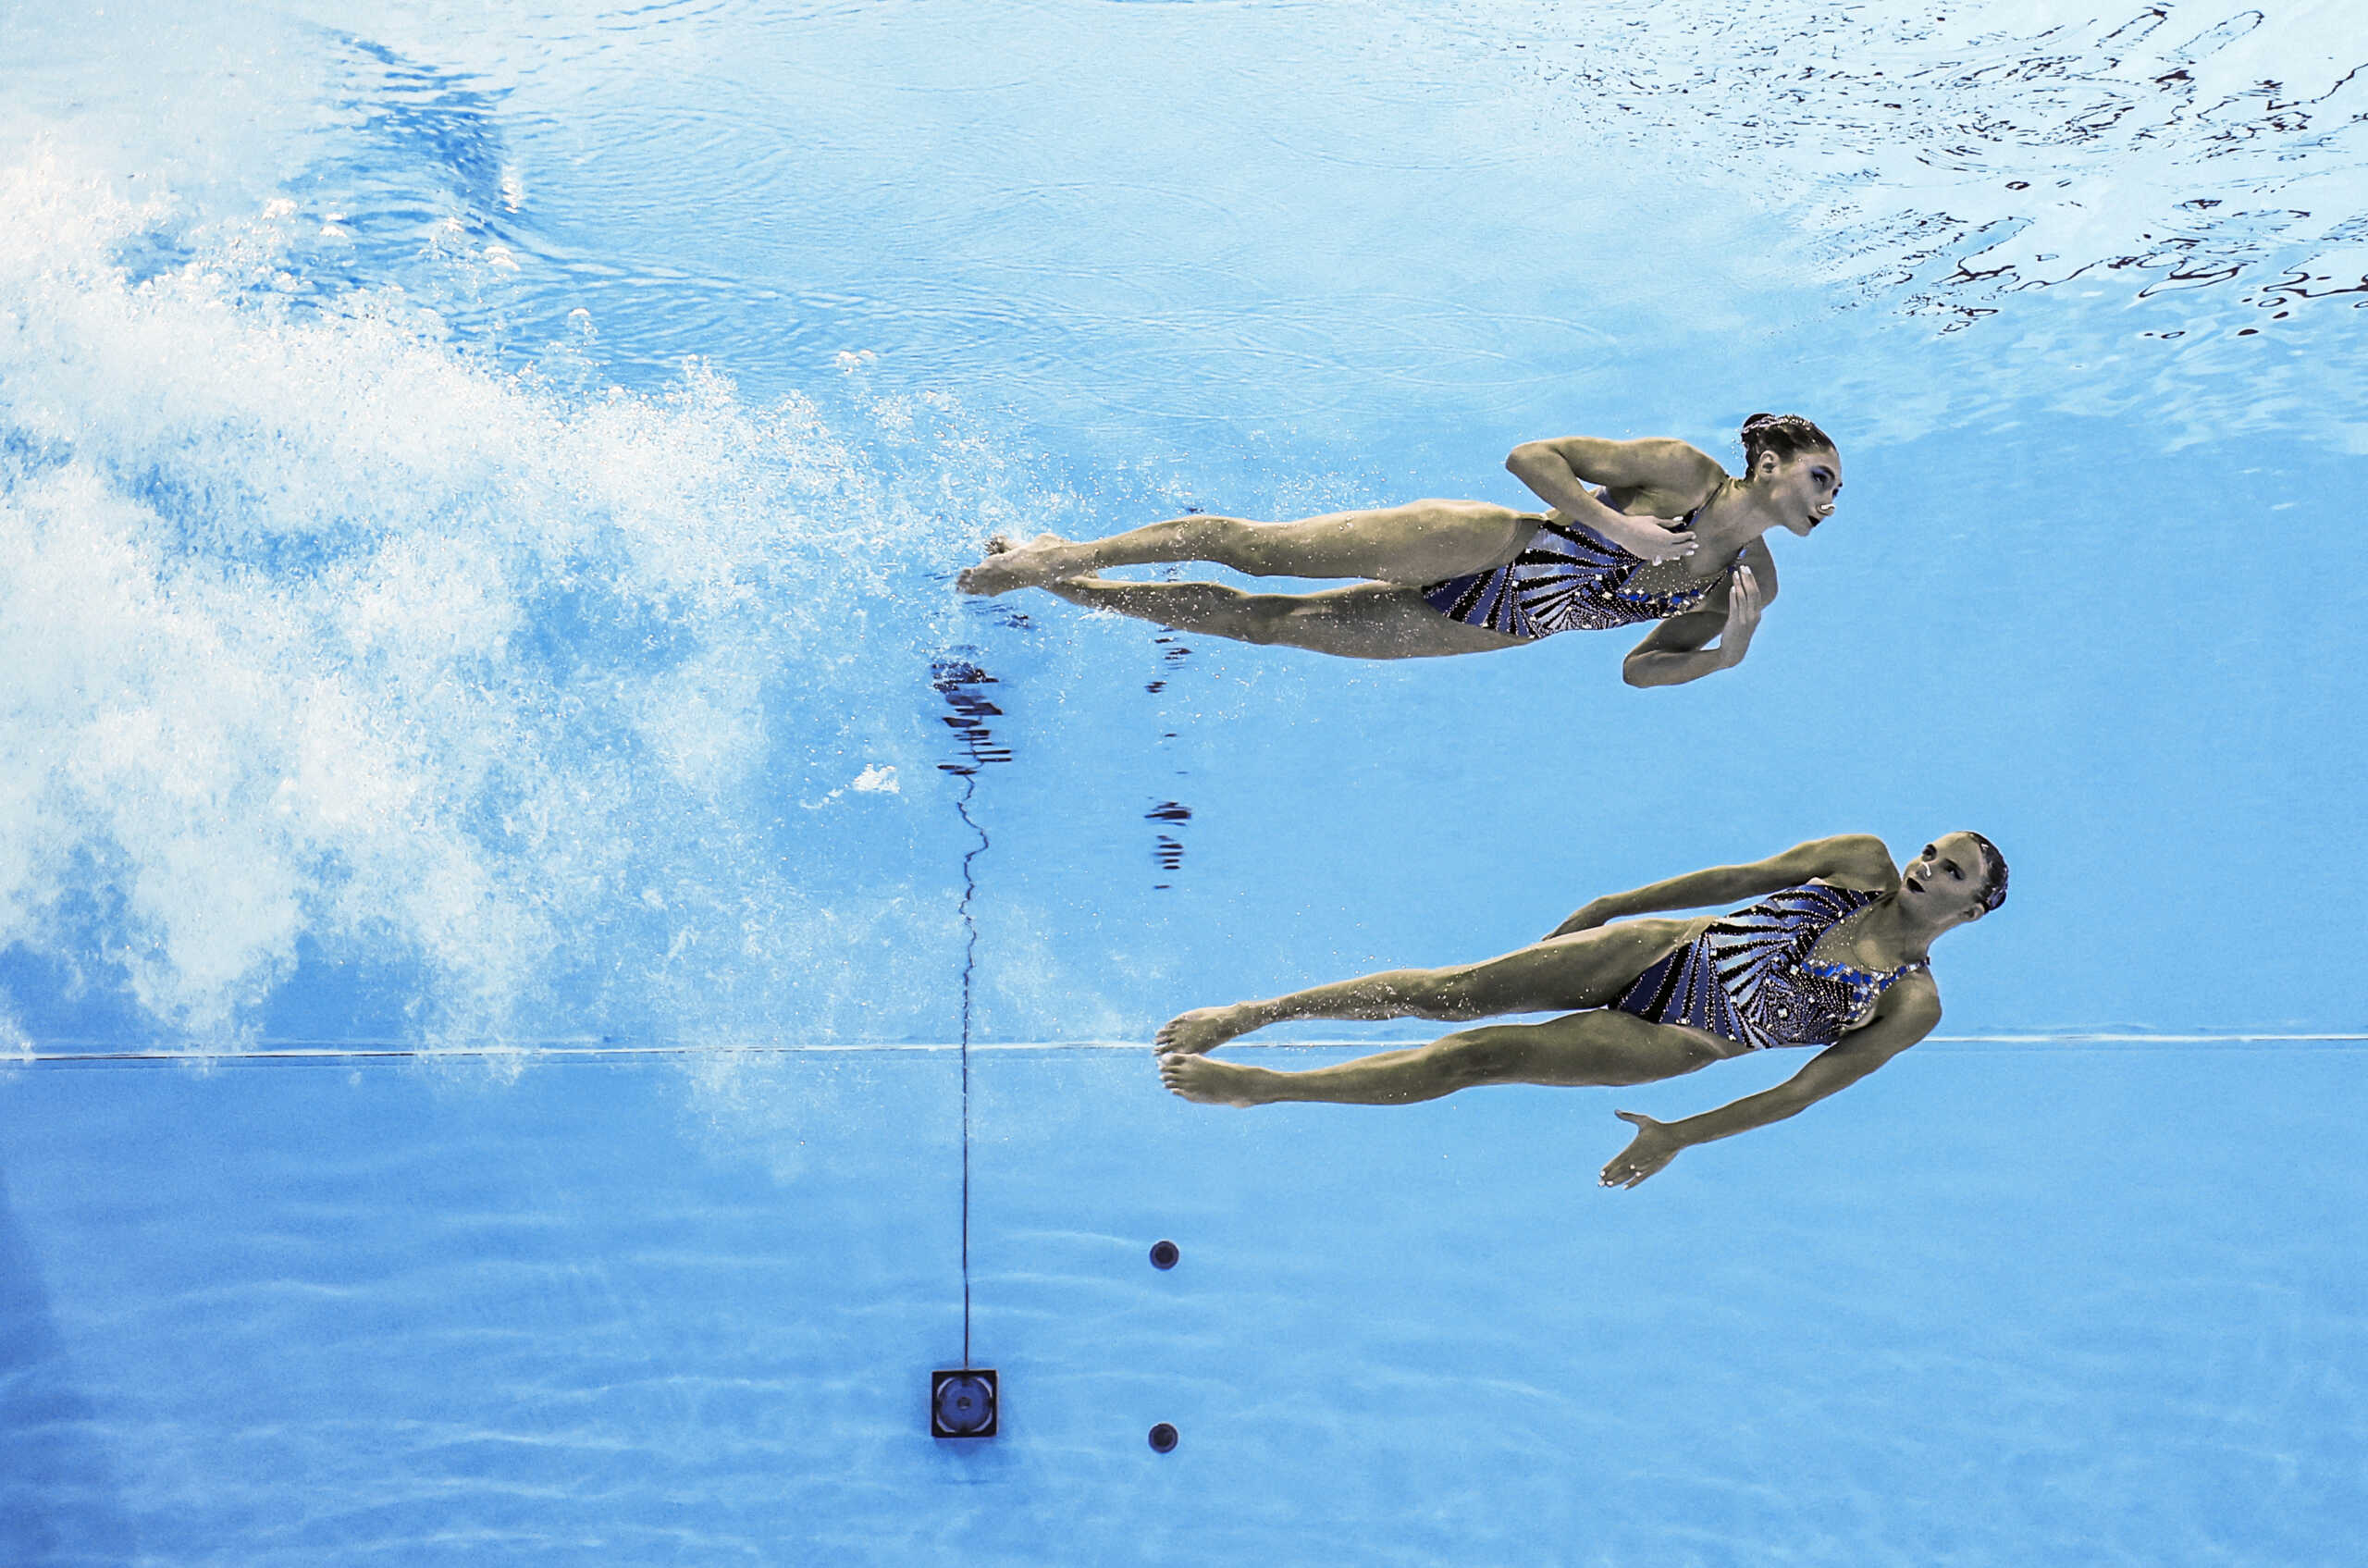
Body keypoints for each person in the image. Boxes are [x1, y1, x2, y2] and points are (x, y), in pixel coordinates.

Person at [1154, 832, 2006, 1188]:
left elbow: (1799, 1092)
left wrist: (1679, 1134)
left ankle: (1264, 1086)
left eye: (1952, 872)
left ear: (1969, 913)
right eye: (1933, 849)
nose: (1928, 865)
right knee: (1442, 991)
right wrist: (1615, 899)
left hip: (1673, 1038)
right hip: (1654, 948)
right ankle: (1252, 1012)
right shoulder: (1858, 861)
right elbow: (1733, 882)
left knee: (1476, 1056)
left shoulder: (1910, 1002)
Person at [956, 414, 1841, 685]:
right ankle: (1054, 557)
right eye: (1821, 478)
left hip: (1499, 627)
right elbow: (1530, 458)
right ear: (1769, 463)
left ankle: (1070, 579)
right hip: (1494, 549)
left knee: (1263, 626)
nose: (1828, 501)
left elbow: (1641, 672)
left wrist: (1730, 654)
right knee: (1260, 554)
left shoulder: (1746, 585)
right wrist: (1616, 526)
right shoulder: (1685, 474)